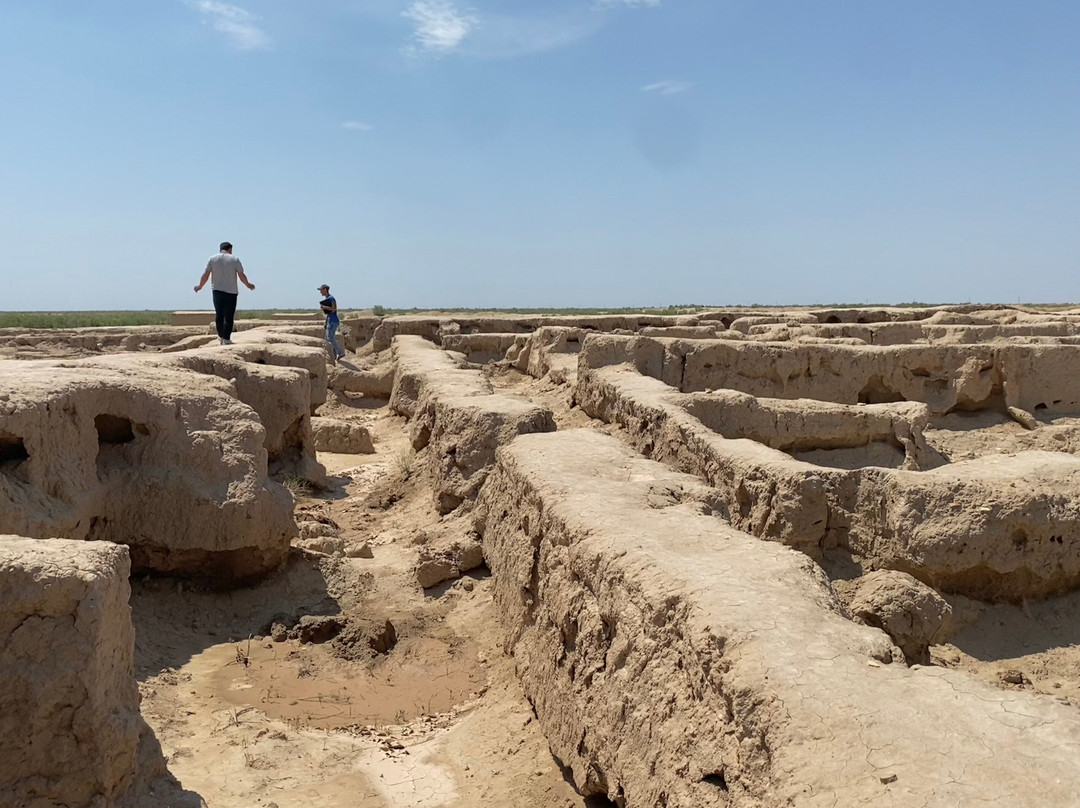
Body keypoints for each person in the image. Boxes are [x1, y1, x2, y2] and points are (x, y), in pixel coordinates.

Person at [194, 241, 255, 345]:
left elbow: (206, 274)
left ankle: (221, 336)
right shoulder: (234, 259)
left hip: (217, 290)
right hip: (231, 291)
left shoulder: (212, 259)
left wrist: (200, 286)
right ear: (230, 249)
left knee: (219, 314)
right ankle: (226, 339)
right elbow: (241, 275)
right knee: (229, 315)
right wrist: (248, 285)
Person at [318, 284, 346, 359]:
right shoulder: (328, 298)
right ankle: (334, 355)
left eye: (321, 290)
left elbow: (334, 309)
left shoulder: (331, 298)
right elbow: (329, 313)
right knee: (328, 338)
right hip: (330, 321)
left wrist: (324, 307)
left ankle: (340, 352)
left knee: (330, 338)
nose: (320, 292)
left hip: (333, 321)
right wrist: (326, 322)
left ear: (325, 289)